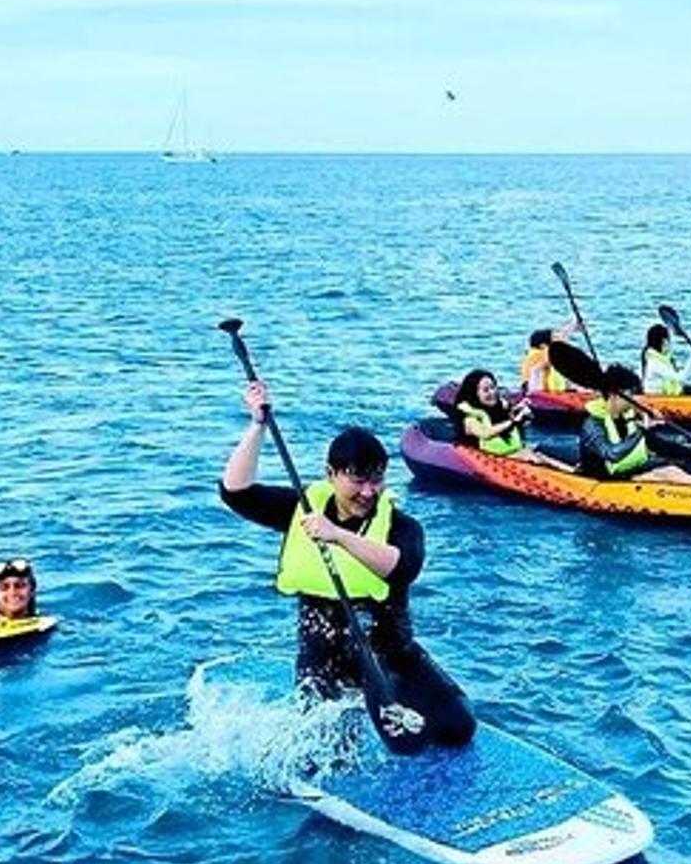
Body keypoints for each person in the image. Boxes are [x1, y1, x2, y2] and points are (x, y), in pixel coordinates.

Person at [220, 382, 474, 746]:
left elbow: (403, 568)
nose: (369, 491)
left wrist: (337, 535)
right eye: (357, 479)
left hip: (389, 658)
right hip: (323, 663)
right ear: (331, 474)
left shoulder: (402, 527)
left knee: (457, 728)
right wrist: (257, 426)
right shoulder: (302, 511)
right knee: (330, 751)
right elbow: (236, 492)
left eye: (377, 479)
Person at [579, 364, 691, 485]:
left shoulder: (627, 417)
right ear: (614, 396)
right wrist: (641, 432)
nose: (633, 401)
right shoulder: (592, 425)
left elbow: (657, 444)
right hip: (603, 479)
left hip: (628, 470)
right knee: (659, 477)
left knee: (671, 470)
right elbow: (611, 454)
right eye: (630, 395)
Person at [449, 369, 571, 469]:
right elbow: (485, 433)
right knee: (532, 458)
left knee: (539, 455)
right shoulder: (470, 418)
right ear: (473, 394)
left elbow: (508, 417)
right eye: (486, 390)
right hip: (490, 458)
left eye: (493, 387)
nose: (492, 392)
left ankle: (573, 471)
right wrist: (513, 421)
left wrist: (519, 410)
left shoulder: (500, 406)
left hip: (513, 452)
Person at [519, 318, 583, 394]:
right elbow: (561, 340)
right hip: (534, 389)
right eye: (554, 338)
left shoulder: (539, 350)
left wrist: (572, 326)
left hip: (540, 386)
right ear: (543, 345)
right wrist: (572, 326)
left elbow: (561, 337)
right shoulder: (539, 354)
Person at [639, 323, 689, 397]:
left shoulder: (663, 359)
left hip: (662, 395)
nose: (669, 343)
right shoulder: (654, 363)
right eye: (668, 340)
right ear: (662, 342)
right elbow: (680, 378)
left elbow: (679, 375)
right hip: (655, 398)